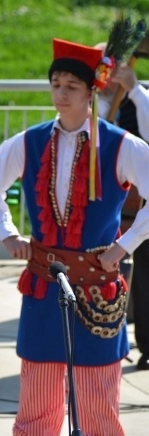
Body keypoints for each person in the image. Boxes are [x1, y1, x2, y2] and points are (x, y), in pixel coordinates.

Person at [0, 37, 149, 436]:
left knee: (98, 391)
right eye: (56, 85)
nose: (62, 94)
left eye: (72, 86)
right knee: (38, 387)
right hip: (44, 281)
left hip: (96, 285)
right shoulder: (28, 142)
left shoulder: (120, 144)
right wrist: (7, 232)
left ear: (94, 90)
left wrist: (123, 246)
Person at [96, 51, 149, 371]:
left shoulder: (140, 99)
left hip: (140, 200)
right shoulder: (94, 104)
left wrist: (133, 88)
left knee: (146, 273)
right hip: (106, 204)